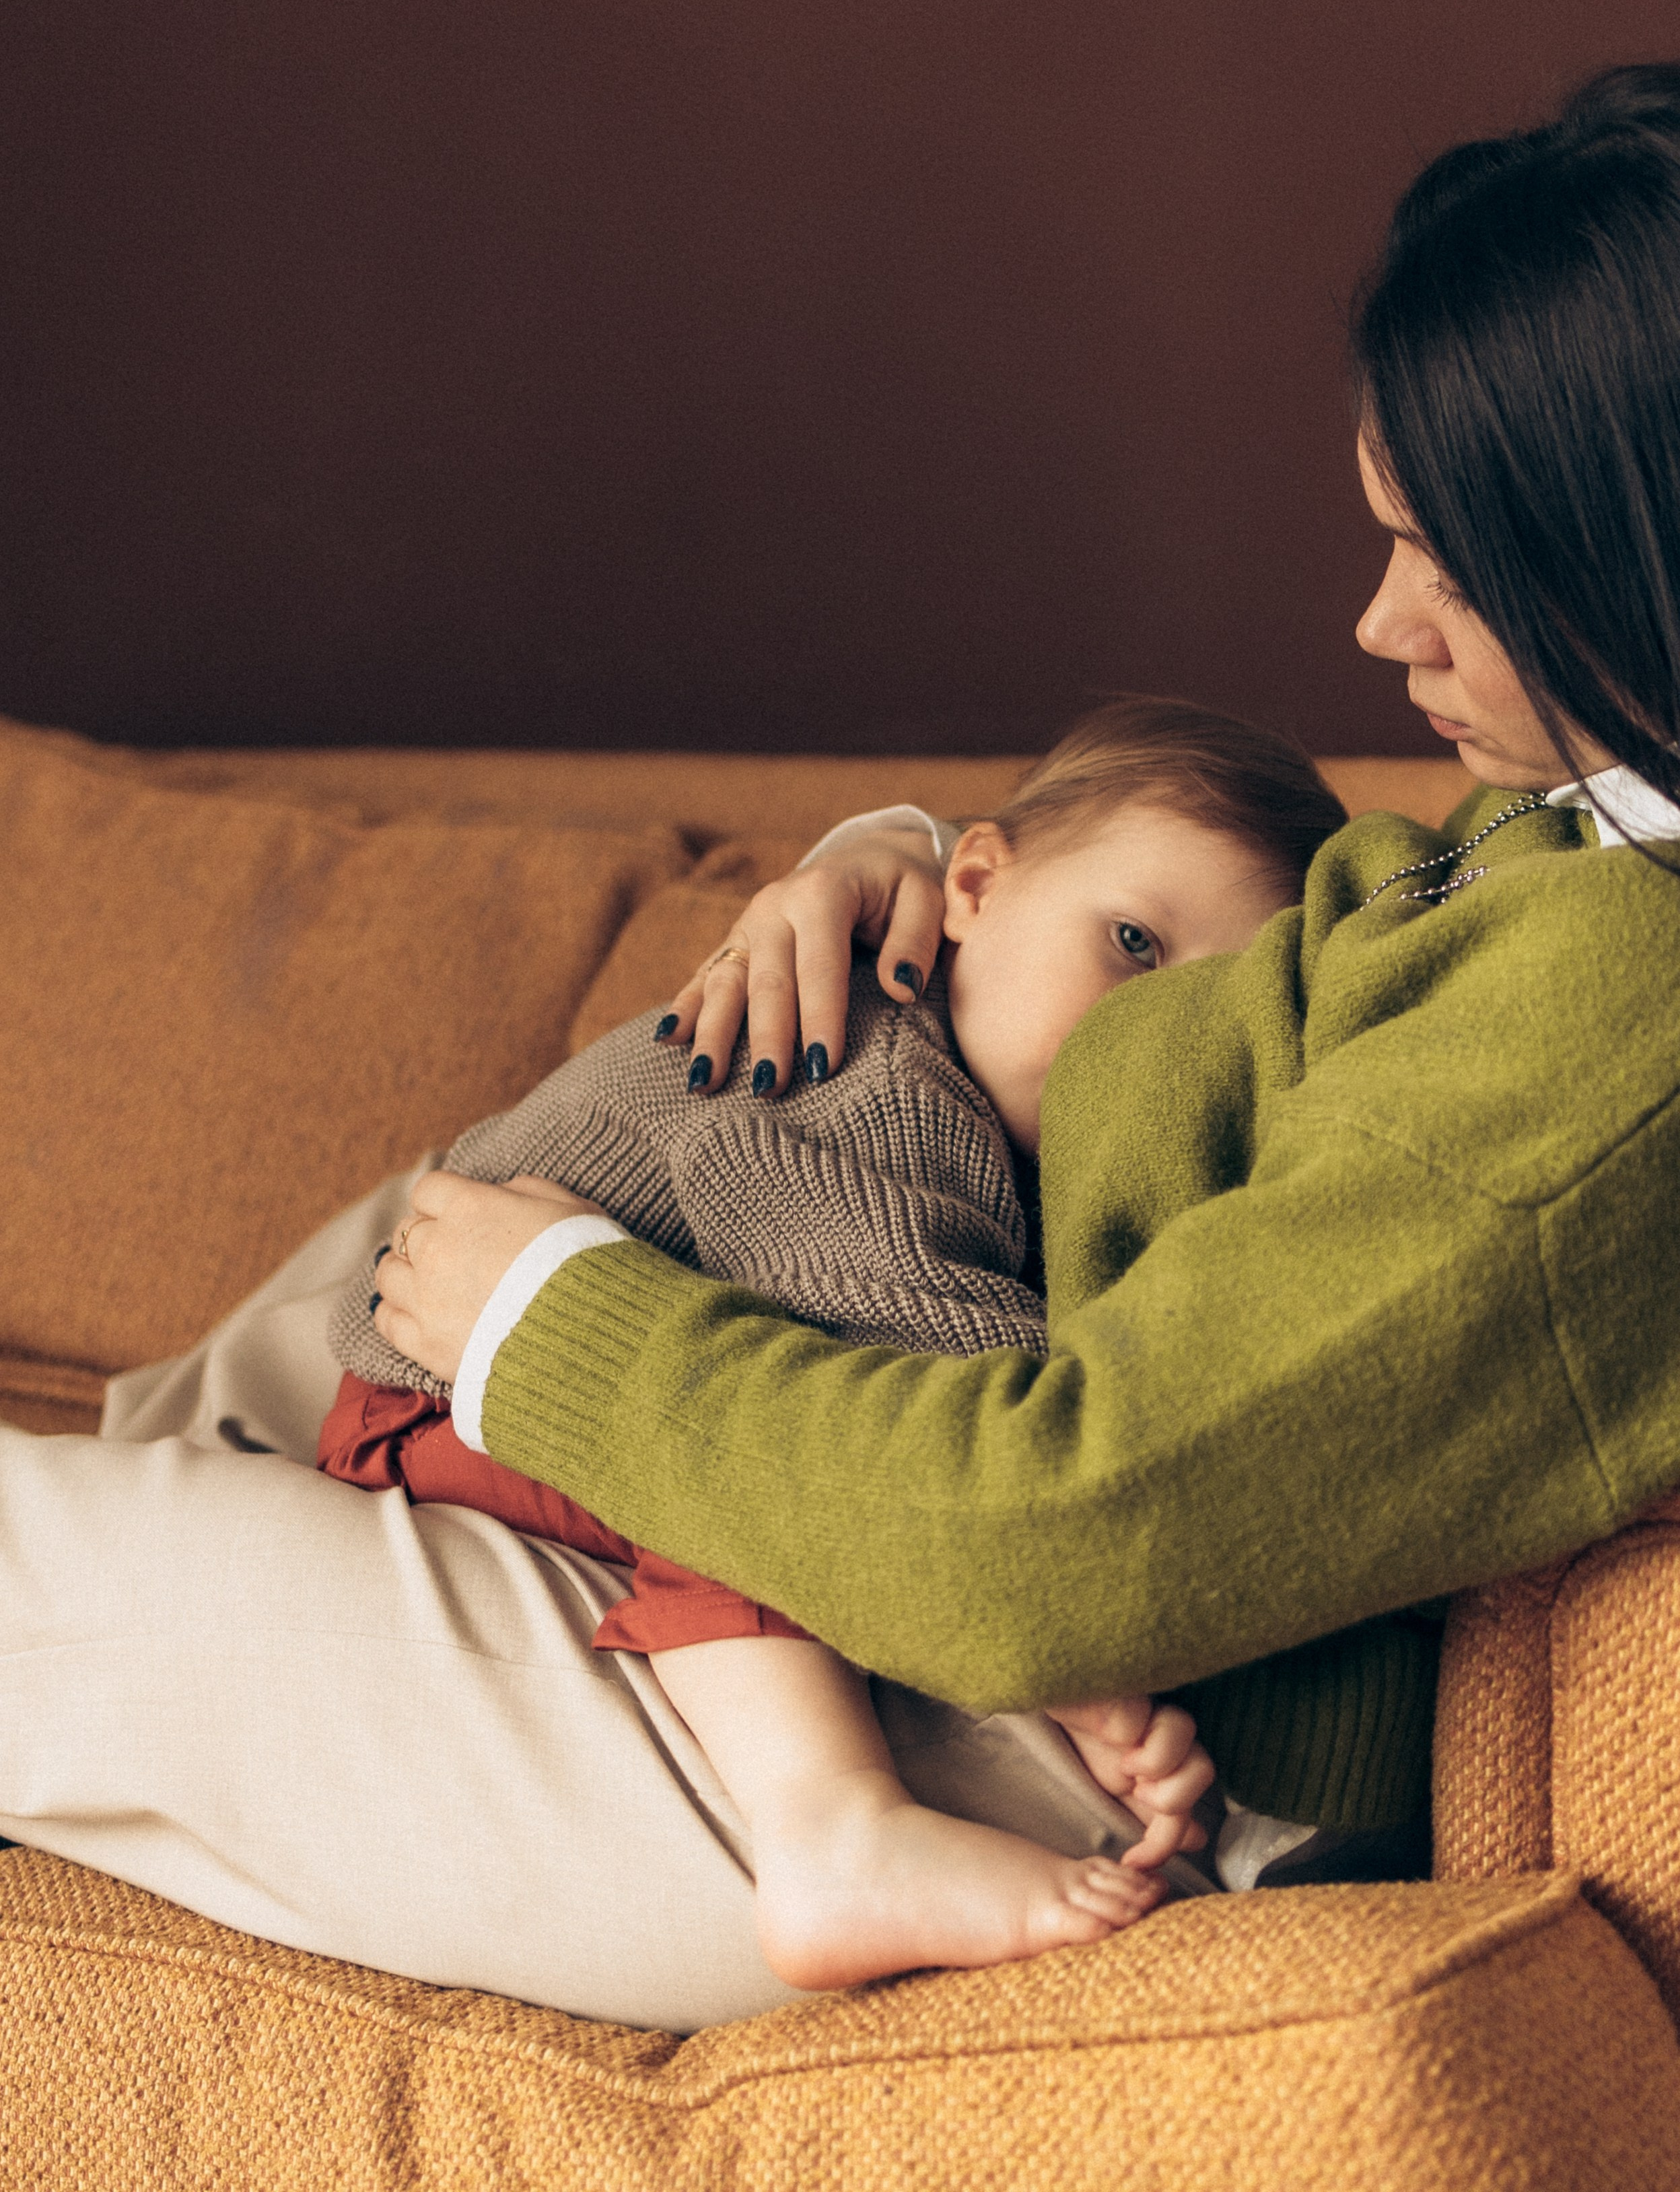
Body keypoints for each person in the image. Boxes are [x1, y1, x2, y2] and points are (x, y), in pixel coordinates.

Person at [7, 61, 1680, 2032]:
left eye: (1457, 560)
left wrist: (570, 1319)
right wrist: (902, 882)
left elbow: (1063, 1540)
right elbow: (1230, 948)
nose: (1381, 624)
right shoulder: (1570, 839)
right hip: (877, 1562)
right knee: (415, 1267)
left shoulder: (1622, 1016)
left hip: (982, 1727)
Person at [327, 698, 1346, 1988]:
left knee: (782, 1434)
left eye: (1208, 1027)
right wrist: (1079, 1674)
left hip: (528, 1354)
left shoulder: (1017, 1126)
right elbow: (929, 1382)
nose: (1140, 1036)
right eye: (1131, 945)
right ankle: (832, 1827)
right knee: (762, 1464)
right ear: (971, 883)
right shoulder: (864, 1064)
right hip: (439, 1389)